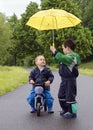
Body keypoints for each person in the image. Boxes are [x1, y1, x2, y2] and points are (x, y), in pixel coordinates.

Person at [50, 38, 81, 119]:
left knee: (70, 97)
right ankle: (65, 110)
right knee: (61, 95)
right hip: (63, 80)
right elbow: (58, 60)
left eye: (63, 48)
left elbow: (63, 58)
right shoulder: (64, 57)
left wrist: (56, 51)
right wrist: (54, 54)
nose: (62, 50)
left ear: (67, 48)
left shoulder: (73, 56)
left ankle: (72, 113)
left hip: (70, 80)